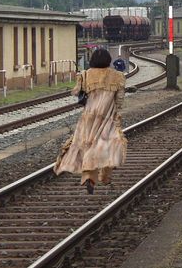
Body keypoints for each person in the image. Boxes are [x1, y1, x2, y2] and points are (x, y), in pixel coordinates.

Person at [54, 48, 127, 194]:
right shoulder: (118, 76)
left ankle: (89, 178)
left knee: (88, 146)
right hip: (108, 116)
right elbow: (119, 100)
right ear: (108, 60)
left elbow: (77, 93)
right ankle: (105, 176)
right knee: (111, 146)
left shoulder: (85, 75)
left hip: (88, 117)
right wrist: (116, 112)